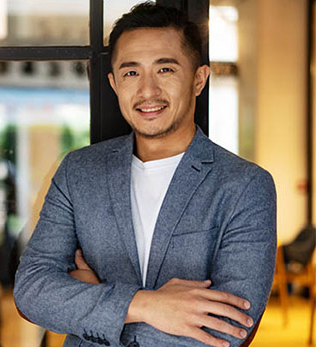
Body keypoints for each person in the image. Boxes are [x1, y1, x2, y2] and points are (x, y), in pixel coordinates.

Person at [14, 3, 276, 347]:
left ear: (199, 79)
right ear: (113, 82)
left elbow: (228, 330)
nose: (147, 90)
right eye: (131, 73)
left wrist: (93, 302)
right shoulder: (79, 172)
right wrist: (148, 306)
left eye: (165, 69)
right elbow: (32, 291)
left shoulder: (245, 186)